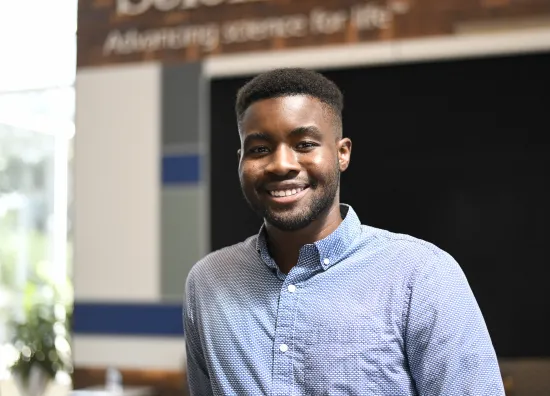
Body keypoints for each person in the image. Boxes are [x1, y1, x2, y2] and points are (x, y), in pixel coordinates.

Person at [183, 67, 505, 395]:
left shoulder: (421, 275)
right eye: (259, 149)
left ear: (342, 153)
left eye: (304, 144)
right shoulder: (208, 283)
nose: (281, 164)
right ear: (240, 160)